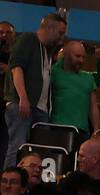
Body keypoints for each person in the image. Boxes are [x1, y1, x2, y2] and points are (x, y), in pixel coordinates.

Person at [3, 12, 66, 168]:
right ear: (50, 28)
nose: (62, 38)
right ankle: (10, 180)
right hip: (24, 104)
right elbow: (16, 68)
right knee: (19, 147)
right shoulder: (28, 39)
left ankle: (32, 183)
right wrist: (23, 97)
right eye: (60, 33)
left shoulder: (47, 51)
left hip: (39, 108)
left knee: (40, 150)